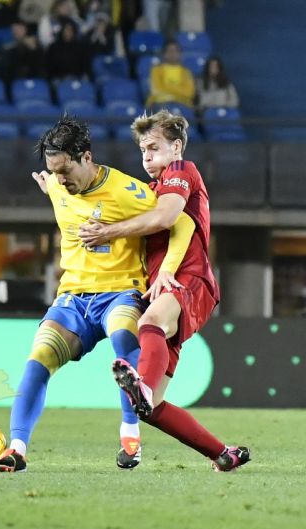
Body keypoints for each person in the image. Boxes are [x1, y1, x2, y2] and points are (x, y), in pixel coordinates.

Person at [0, 116, 196, 473]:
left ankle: (130, 436)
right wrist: (53, 184)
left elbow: (182, 222)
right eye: (53, 172)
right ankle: (17, 449)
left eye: (65, 170)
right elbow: (58, 188)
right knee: (39, 356)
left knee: (124, 338)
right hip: (73, 296)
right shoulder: (57, 186)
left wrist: (166, 270)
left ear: (86, 157)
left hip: (121, 292)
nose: (59, 180)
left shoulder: (128, 191)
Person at [77, 110, 252, 471]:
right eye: (143, 149)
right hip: (164, 286)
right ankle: (223, 455)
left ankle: (140, 385)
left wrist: (107, 232)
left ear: (176, 147)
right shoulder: (152, 191)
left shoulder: (181, 170)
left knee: (150, 323)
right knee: (152, 406)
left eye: (154, 147)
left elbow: (169, 218)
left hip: (189, 277)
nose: (147, 156)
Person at [146, 41, 196, 108]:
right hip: (160, 104)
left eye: (176, 51)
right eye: (170, 51)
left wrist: (168, 87)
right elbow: (156, 91)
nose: (173, 53)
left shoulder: (186, 72)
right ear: (164, 54)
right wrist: (178, 91)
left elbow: (189, 93)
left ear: (180, 54)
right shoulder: (156, 70)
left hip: (182, 105)